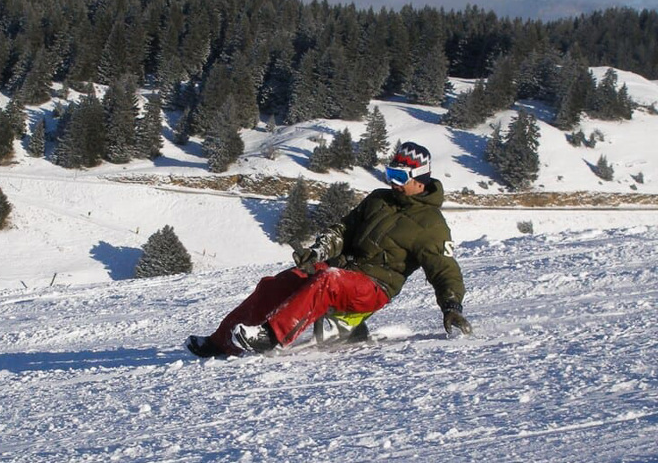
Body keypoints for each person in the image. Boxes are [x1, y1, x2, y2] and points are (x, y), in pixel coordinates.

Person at [187, 141, 471, 357]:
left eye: (399, 175)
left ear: (419, 179)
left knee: (327, 281)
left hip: (375, 286)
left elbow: (445, 270)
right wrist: (319, 251)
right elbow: (344, 229)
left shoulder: (431, 224)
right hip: (346, 269)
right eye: (389, 172)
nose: (392, 182)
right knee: (280, 283)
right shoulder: (379, 199)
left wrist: (451, 307)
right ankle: (220, 342)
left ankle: (271, 336)